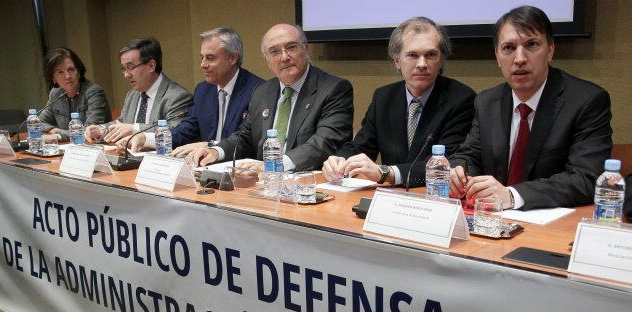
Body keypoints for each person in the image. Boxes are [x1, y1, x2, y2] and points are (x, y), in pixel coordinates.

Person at [449, 5, 612, 210]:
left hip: (551, 225)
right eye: (508, 48)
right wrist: (458, 171)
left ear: (550, 50)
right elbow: (469, 155)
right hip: (494, 220)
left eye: (531, 44)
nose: (519, 59)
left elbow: (585, 178)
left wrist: (511, 195)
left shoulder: (586, 101)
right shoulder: (487, 102)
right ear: (498, 57)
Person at [322, 17, 474, 187]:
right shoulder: (384, 97)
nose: (422, 64)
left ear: (441, 59)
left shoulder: (461, 99)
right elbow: (361, 146)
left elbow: (447, 164)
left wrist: (386, 173)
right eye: (412, 55)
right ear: (397, 60)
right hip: (391, 198)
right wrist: (340, 160)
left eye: (431, 55)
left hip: (431, 196)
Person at [190, 23, 353, 171]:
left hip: (308, 183)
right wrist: (216, 151)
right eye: (274, 52)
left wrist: (276, 165)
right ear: (267, 60)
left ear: (306, 49)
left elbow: (324, 143)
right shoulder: (262, 91)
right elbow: (245, 137)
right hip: (265, 183)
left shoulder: (334, 89)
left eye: (291, 47)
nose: (284, 57)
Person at [119, 27, 263, 156]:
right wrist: (146, 138)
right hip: (204, 166)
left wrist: (211, 146)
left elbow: (247, 141)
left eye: (210, 58)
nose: (203, 65)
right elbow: (186, 130)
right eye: (202, 58)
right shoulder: (203, 90)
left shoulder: (257, 90)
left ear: (233, 58)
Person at [85, 37, 193, 143]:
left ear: (151, 65)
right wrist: (102, 129)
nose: (126, 75)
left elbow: (174, 131)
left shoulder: (178, 97)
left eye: (130, 67)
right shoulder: (132, 95)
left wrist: (135, 128)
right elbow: (122, 123)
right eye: (124, 69)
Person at [40, 48, 111, 143]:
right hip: (67, 149)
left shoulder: (94, 92)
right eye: (60, 72)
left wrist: (57, 135)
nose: (67, 76)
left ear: (79, 71)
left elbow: (89, 131)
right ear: (53, 77)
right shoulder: (56, 93)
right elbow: (39, 123)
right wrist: (54, 130)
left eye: (71, 69)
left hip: (94, 148)